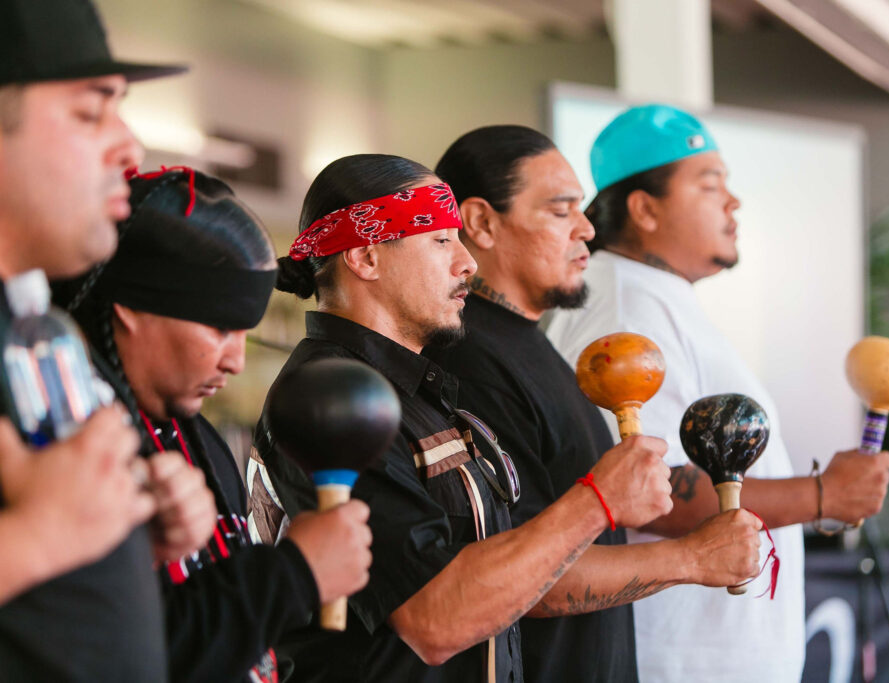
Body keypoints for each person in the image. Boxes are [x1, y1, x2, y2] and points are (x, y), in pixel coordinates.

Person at [249, 153, 674, 682]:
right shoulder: (333, 396)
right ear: (365, 257)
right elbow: (432, 619)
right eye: (441, 240)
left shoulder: (413, 389)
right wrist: (600, 501)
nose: (467, 263)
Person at [546, 104, 889, 682]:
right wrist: (821, 494)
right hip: (680, 661)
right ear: (644, 209)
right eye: (710, 185)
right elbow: (652, 491)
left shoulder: (649, 294)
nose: (733, 202)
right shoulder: (628, 309)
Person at [425, 125, 763, 683]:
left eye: (581, 209)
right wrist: (693, 559)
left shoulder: (531, 342)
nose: (585, 229)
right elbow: (524, 580)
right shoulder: (471, 363)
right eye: (561, 211)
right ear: (480, 222)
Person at [57, 167, 374, 683]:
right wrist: (295, 574)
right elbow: (130, 652)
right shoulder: (70, 442)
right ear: (135, 307)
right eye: (220, 327)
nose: (234, 362)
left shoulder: (198, 436)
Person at [0, 1, 207, 679]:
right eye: (91, 113)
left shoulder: (40, 335)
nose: (130, 146)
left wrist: (120, 533)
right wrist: (42, 536)